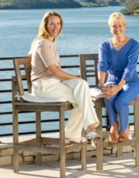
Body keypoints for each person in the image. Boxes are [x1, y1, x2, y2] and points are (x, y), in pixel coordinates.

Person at [29, 11, 99, 143]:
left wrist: (76, 79)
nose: (55, 27)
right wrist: (74, 77)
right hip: (43, 86)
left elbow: (56, 71)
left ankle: (75, 134)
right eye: (52, 24)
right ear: (45, 25)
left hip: (54, 83)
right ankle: (88, 129)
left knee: (82, 86)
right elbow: (54, 71)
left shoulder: (51, 41)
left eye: (58, 23)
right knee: (83, 98)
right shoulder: (42, 43)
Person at [98, 12, 139, 143]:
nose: (117, 29)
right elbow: (102, 65)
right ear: (110, 28)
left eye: (120, 25)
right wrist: (102, 85)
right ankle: (113, 125)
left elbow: (130, 68)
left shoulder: (134, 44)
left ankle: (124, 128)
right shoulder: (104, 45)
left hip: (131, 81)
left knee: (119, 102)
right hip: (112, 79)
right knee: (108, 96)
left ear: (125, 26)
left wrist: (118, 87)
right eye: (114, 26)